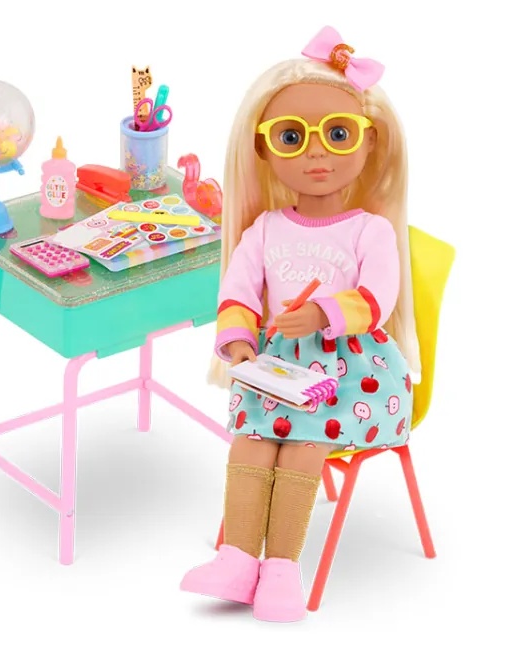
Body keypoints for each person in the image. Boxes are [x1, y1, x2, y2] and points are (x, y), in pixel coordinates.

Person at [180, 26, 420, 623]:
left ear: (369, 142)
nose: (317, 154)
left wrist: (323, 313)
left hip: (352, 372)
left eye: (338, 134)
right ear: (263, 150)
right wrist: (238, 341)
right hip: (279, 368)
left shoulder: (371, 230)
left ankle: (283, 569)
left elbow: (378, 298)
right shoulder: (263, 230)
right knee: (252, 439)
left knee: (304, 446)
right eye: (292, 137)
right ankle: (238, 560)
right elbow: (237, 292)